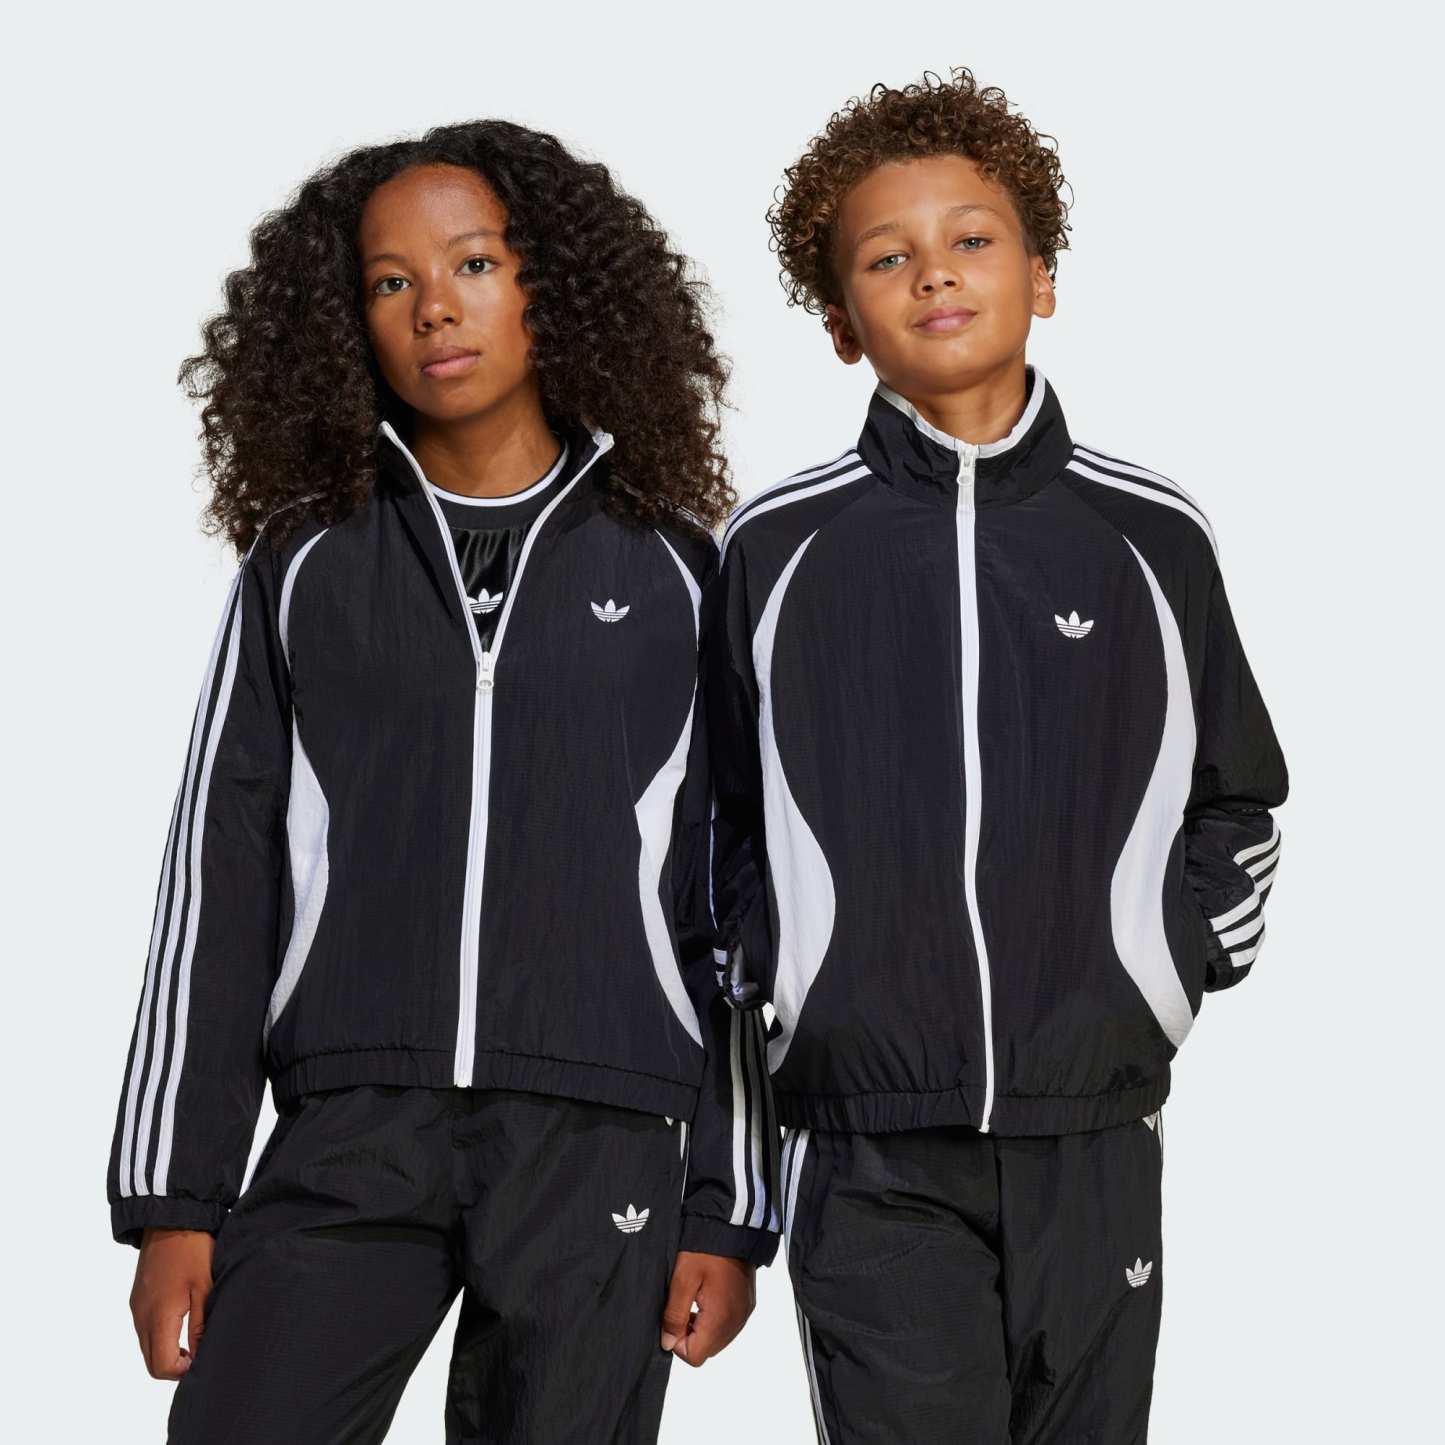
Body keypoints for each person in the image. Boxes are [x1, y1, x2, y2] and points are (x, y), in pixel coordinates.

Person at [108, 119, 778, 1445]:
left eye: (473, 263)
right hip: (353, 1123)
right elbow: (219, 879)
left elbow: (743, 904)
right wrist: (175, 1197)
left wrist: (729, 1204)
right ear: (345, 319)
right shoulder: (306, 565)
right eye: (389, 281)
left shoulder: (679, 574)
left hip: (600, 1130)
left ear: (550, 285)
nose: (433, 308)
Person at [708, 68, 1287, 1442]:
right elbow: (713, 830)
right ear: (840, 322)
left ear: (1041, 276)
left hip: (1093, 1127)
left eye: (971, 239)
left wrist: (1161, 969)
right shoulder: (776, 551)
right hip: (867, 1141)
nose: (933, 273)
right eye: (885, 257)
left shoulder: (1149, 536)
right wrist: (777, 972)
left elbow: (1238, 794)